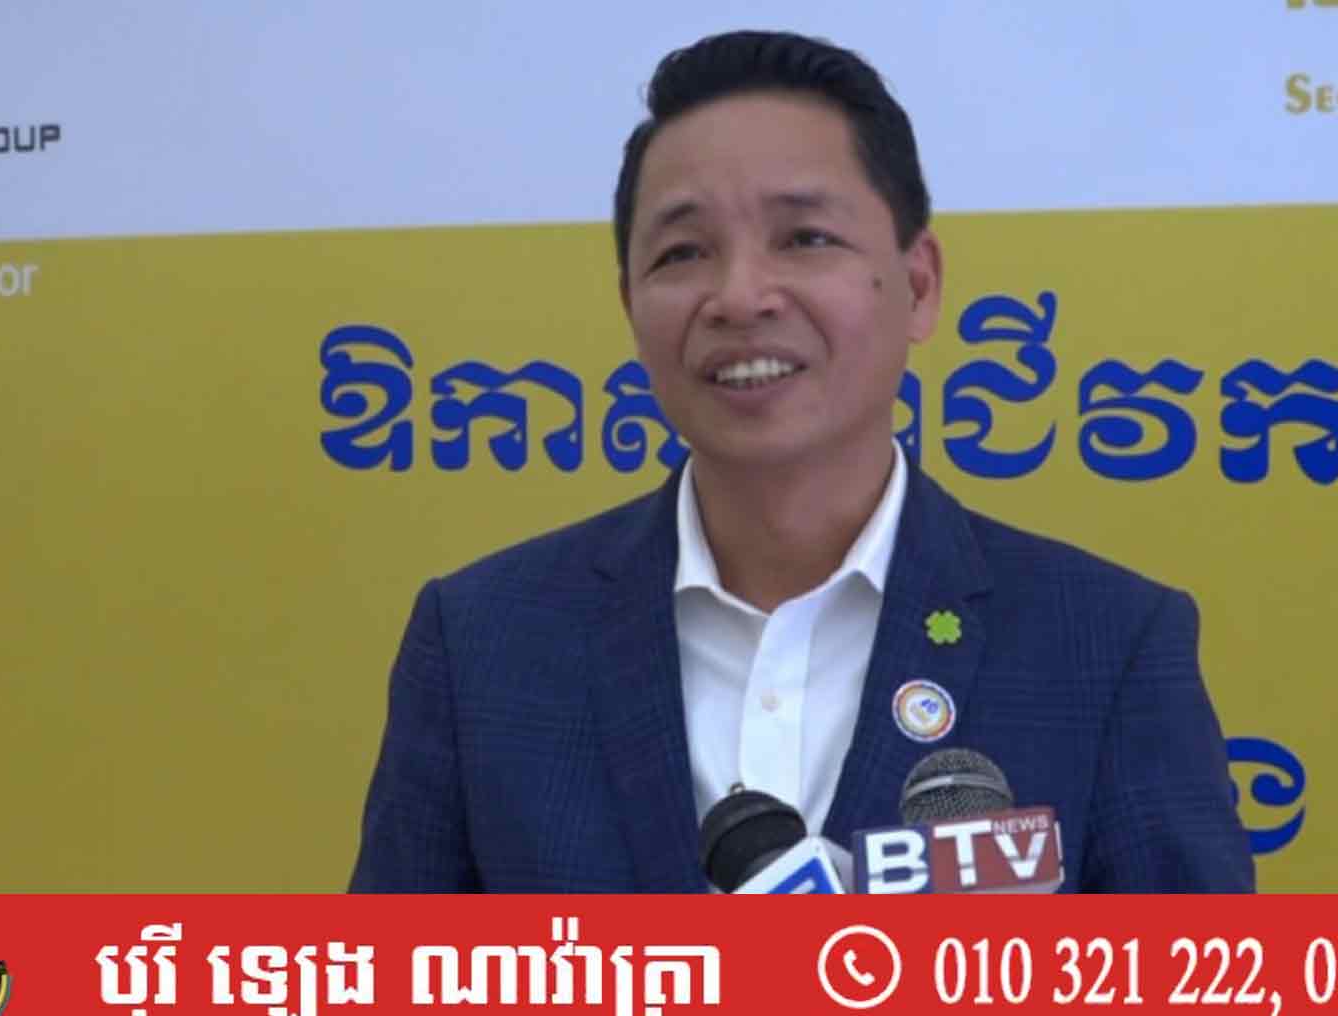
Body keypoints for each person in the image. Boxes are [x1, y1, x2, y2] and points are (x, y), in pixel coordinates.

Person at [348, 29, 1253, 893]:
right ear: (631, 305)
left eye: (805, 238)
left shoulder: (1104, 643)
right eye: (683, 252)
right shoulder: (484, 643)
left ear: (918, 286)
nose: (740, 297)